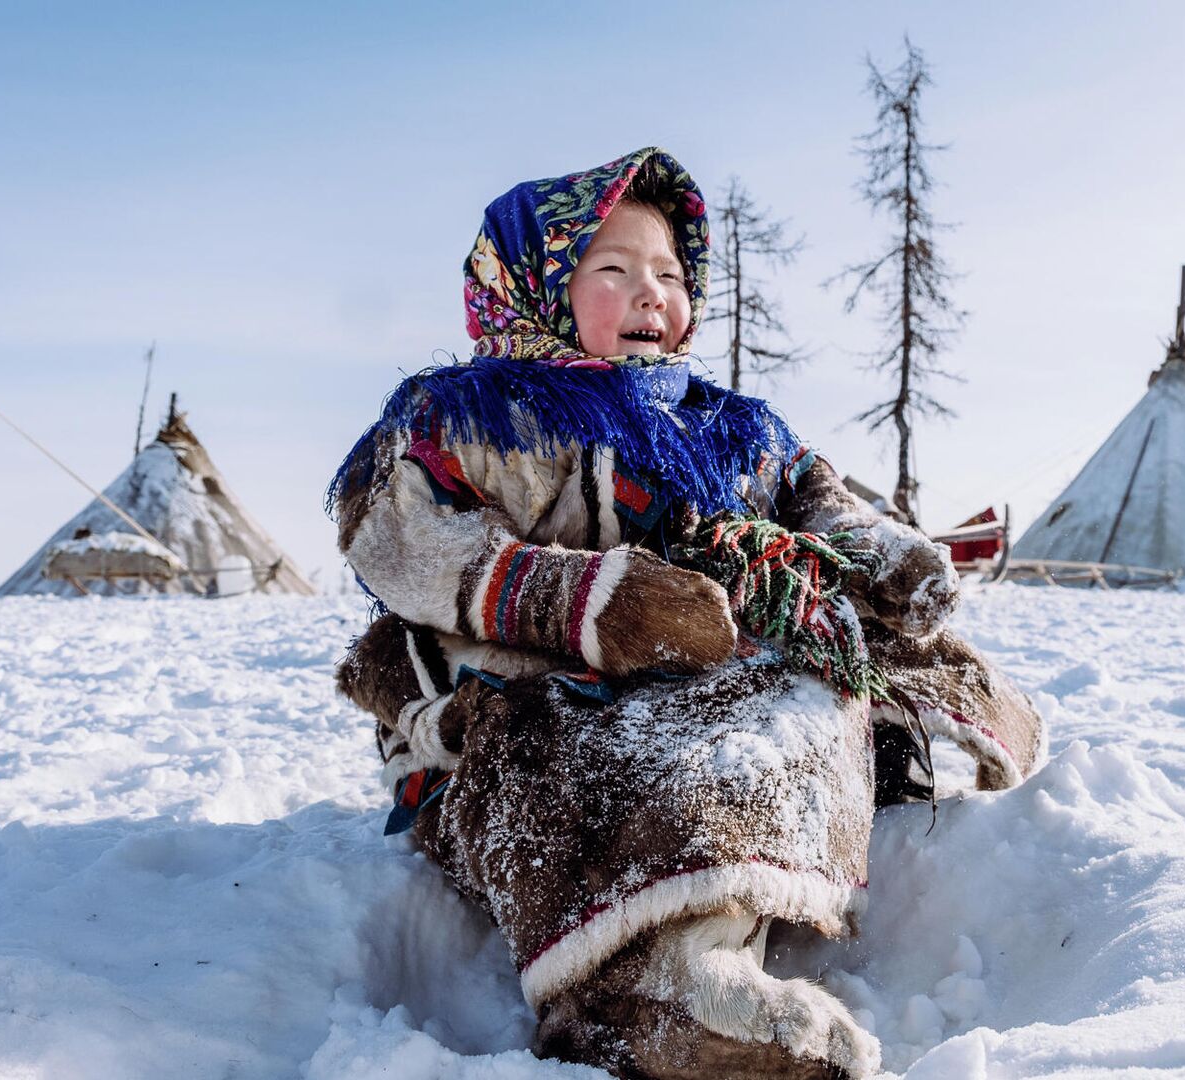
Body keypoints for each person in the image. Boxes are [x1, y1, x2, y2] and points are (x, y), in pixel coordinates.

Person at [329, 147, 1041, 1079]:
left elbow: (813, 500)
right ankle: (641, 995)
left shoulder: (728, 424)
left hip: (705, 681)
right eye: (614, 271)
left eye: (669, 273)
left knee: (803, 703)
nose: (651, 293)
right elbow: (404, 537)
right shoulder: (469, 418)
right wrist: (593, 601)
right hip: (516, 696)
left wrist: (877, 552)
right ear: (535, 285)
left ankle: (713, 957)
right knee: (573, 761)